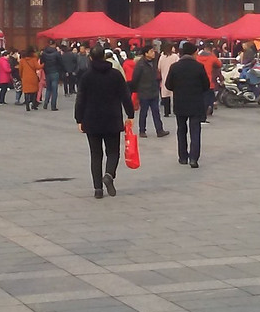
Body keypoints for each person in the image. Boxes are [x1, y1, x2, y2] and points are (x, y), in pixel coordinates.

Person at [74, 45, 134, 199]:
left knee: (96, 154)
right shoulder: (115, 75)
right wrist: (130, 114)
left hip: (91, 119)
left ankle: (98, 189)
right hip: (112, 118)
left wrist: (79, 119)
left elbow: (80, 99)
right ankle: (108, 174)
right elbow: (125, 96)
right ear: (105, 57)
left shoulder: (86, 76)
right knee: (113, 151)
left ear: (91, 58)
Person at [164, 42, 209, 168]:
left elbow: (168, 85)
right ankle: (194, 158)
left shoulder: (175, 67)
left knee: (181, 130)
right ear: (194, 53)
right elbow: (206, 85)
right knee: (195, 131)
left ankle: (183, 157)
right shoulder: (199, 67)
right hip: (195, 104)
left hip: (180, 103)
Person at [130, 44, 169, 138]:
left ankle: (159, 130)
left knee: (156, 111)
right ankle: (142, 130)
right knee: (144, 112)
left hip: (154, 91)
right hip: (144, 92)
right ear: (146, 53)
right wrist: (136, 90)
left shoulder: (155, 62)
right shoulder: (140, 64)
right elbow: (135, 78)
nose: (153, 53)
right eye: (151, 51)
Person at [40, 42, 63, 110]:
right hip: (55, 72)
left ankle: (46, 103)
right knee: (54, 90)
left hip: (47, 72)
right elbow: (60, 62)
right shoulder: (57, 53)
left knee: (48, 89)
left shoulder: (44, 53)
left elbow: (41, 62)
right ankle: (53, 106)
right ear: (54, 45)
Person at [158, 45, 179, 118]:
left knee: (165, 96)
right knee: (175, 94)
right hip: (175, 78)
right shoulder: (175, 56)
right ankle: (176, 110)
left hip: (164, 77)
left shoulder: (162, 57)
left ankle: (167, 112)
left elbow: (159, 68)